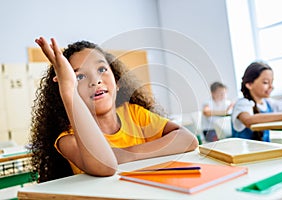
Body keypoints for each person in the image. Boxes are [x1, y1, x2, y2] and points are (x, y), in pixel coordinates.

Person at [30, 37, 198, 183]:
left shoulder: (134, 114)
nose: (95, 81)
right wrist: (68, 90)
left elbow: (188, 140)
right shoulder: (68, 138)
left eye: (102, 69)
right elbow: (106, 165)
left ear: (117, 81)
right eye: (79, 77)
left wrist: (126, 155)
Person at [231, 61, 282, 142]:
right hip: (244, 152)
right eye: (266, 82)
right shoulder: (242, 103)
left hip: (265, 149)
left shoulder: (269, 102)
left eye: (272, 82)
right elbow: (248, 120)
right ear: (249, 84)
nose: (271, 86)